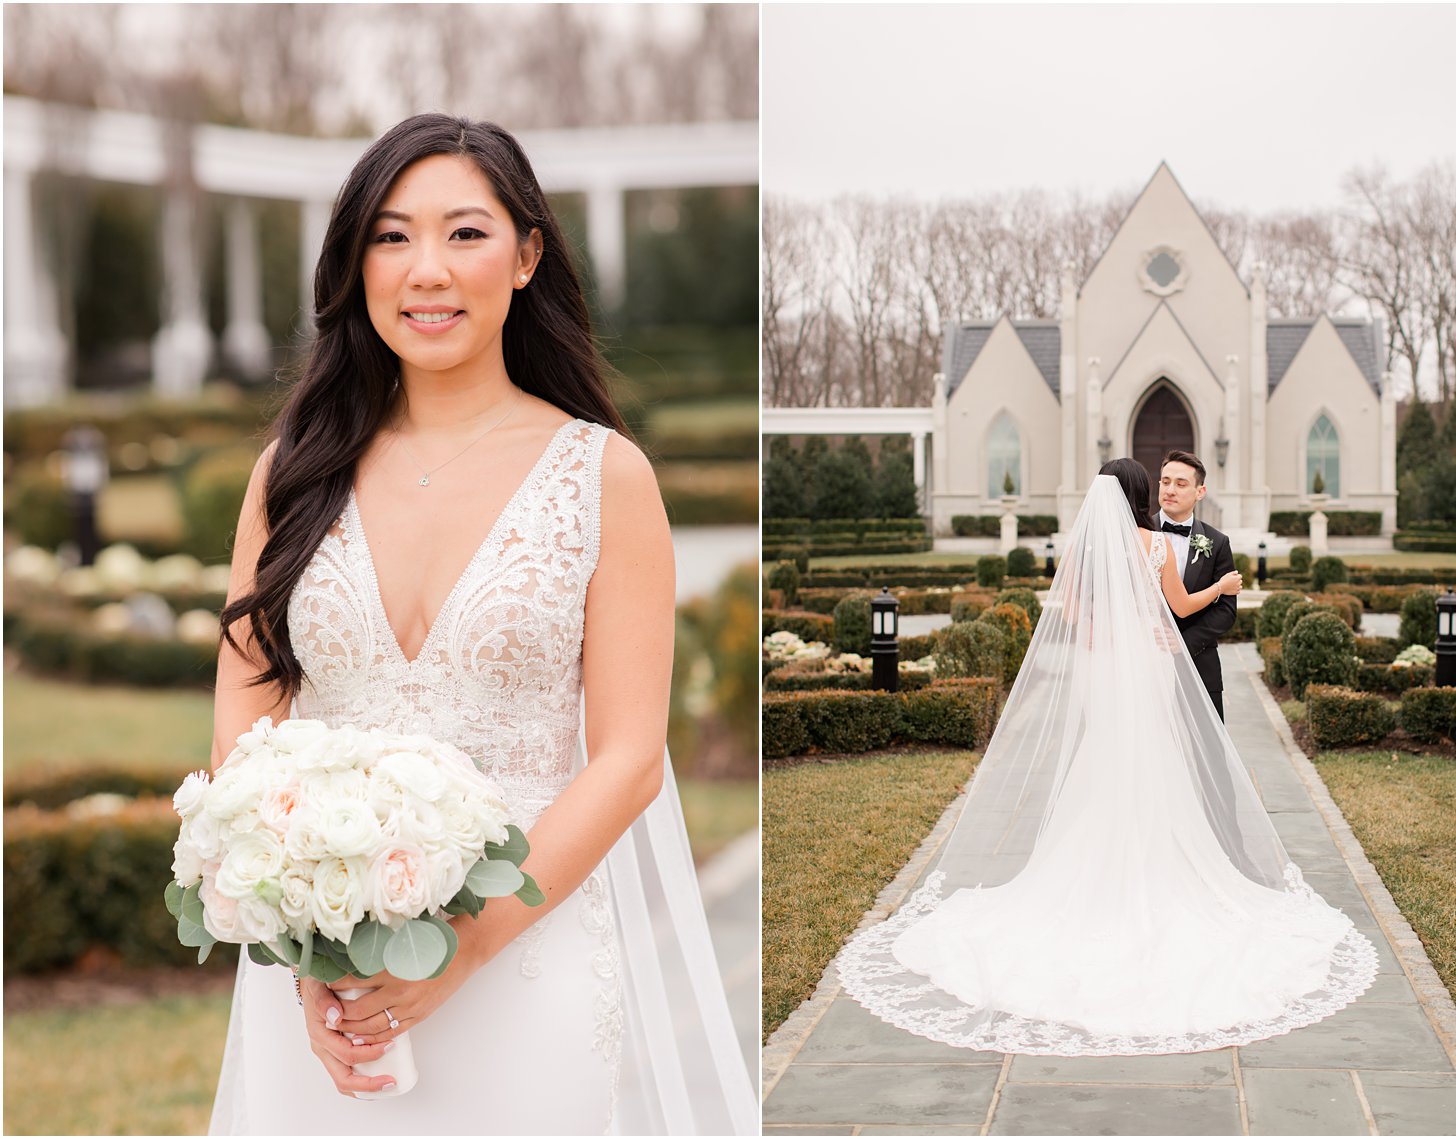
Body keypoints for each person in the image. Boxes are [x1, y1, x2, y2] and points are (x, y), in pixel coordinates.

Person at [206, 114, 754, 1135]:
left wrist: (465, 946)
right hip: (323, 983)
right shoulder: (289, 476)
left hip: (523, 953)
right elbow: (242, 735)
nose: (427, 270)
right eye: (390, 235)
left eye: (464, 233)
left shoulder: (602, 476)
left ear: (525, 255)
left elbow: (630, 756)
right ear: (355, 263)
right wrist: (302, 961)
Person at [836, 458, 1376, 1057]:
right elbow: (1183, 609)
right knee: (1153, 758)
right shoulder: (1156, 548)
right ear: (1143, 494)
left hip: (1102, 669)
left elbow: (1064, 607)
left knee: (1100, 758)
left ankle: (1087, 869)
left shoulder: (1087, 552)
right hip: (1144, 669)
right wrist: (1222, 588)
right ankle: (1159, 864)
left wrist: (1099, 630)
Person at [1155, 449, 1236, 721]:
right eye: (1165, 482)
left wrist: (1184, 643)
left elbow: (1226, 610)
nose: (1170, 490)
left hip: (1200, 664)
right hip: (1145, 664)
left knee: (1209, 758)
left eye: (1180, 484)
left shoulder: (1218, 542)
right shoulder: (1137, 534)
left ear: (1200, 492)